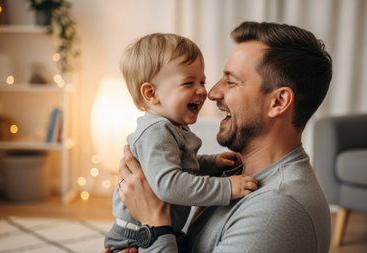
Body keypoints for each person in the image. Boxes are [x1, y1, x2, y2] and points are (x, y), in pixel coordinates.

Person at [110, 21, 333, 252]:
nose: (212, 93)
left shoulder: (276, 209)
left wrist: (154, 223)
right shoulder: (238, 173)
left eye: (232, 81)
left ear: (278, 102)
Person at [104, 33, 258, 252]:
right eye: (188, 83)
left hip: (160, 228)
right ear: (151, 93)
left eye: (202, 81)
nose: (202, 90)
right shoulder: (156, 132)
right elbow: (170, 184)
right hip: (138, 237)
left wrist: (212, 163)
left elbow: (180, 166)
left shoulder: (172, 127)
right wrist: (226, 187)